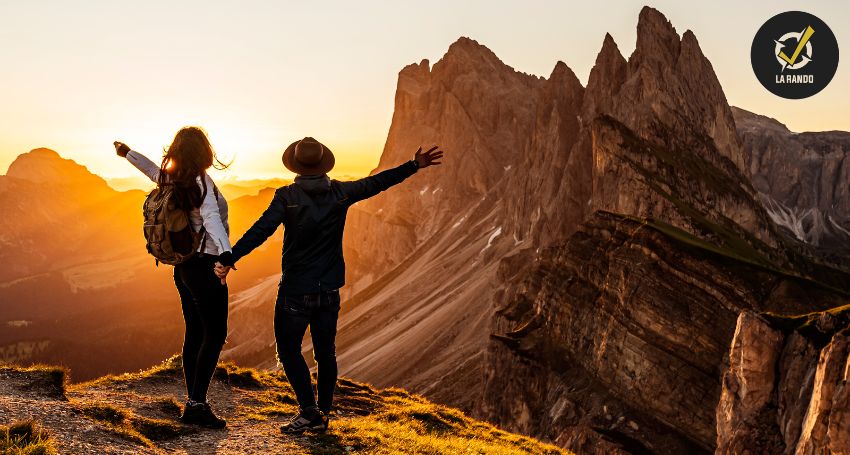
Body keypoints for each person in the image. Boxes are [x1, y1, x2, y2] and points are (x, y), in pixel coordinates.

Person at [214, 137, 443, 434]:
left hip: (296, 288)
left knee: (288, 349)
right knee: (326, 353)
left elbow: (260, 231)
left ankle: (309, 413)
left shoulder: (286, 196)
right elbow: (377, 183)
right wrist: (413, 165)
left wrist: (231, 256)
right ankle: (322, 413)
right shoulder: (340, 193)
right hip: (329, 290)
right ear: (324, 164)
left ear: (295, 165)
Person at [113, 127, 231, 429]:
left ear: (177, 151)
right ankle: (196, 405)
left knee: (194, 332)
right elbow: (212, 219)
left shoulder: (173, 179)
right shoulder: (200, 182)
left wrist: (128, 153)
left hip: (184, 268)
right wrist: (226, 256)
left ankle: (194, 400)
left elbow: (151, 169)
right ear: (204, 151)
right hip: (206, 265)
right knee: (214, 334)